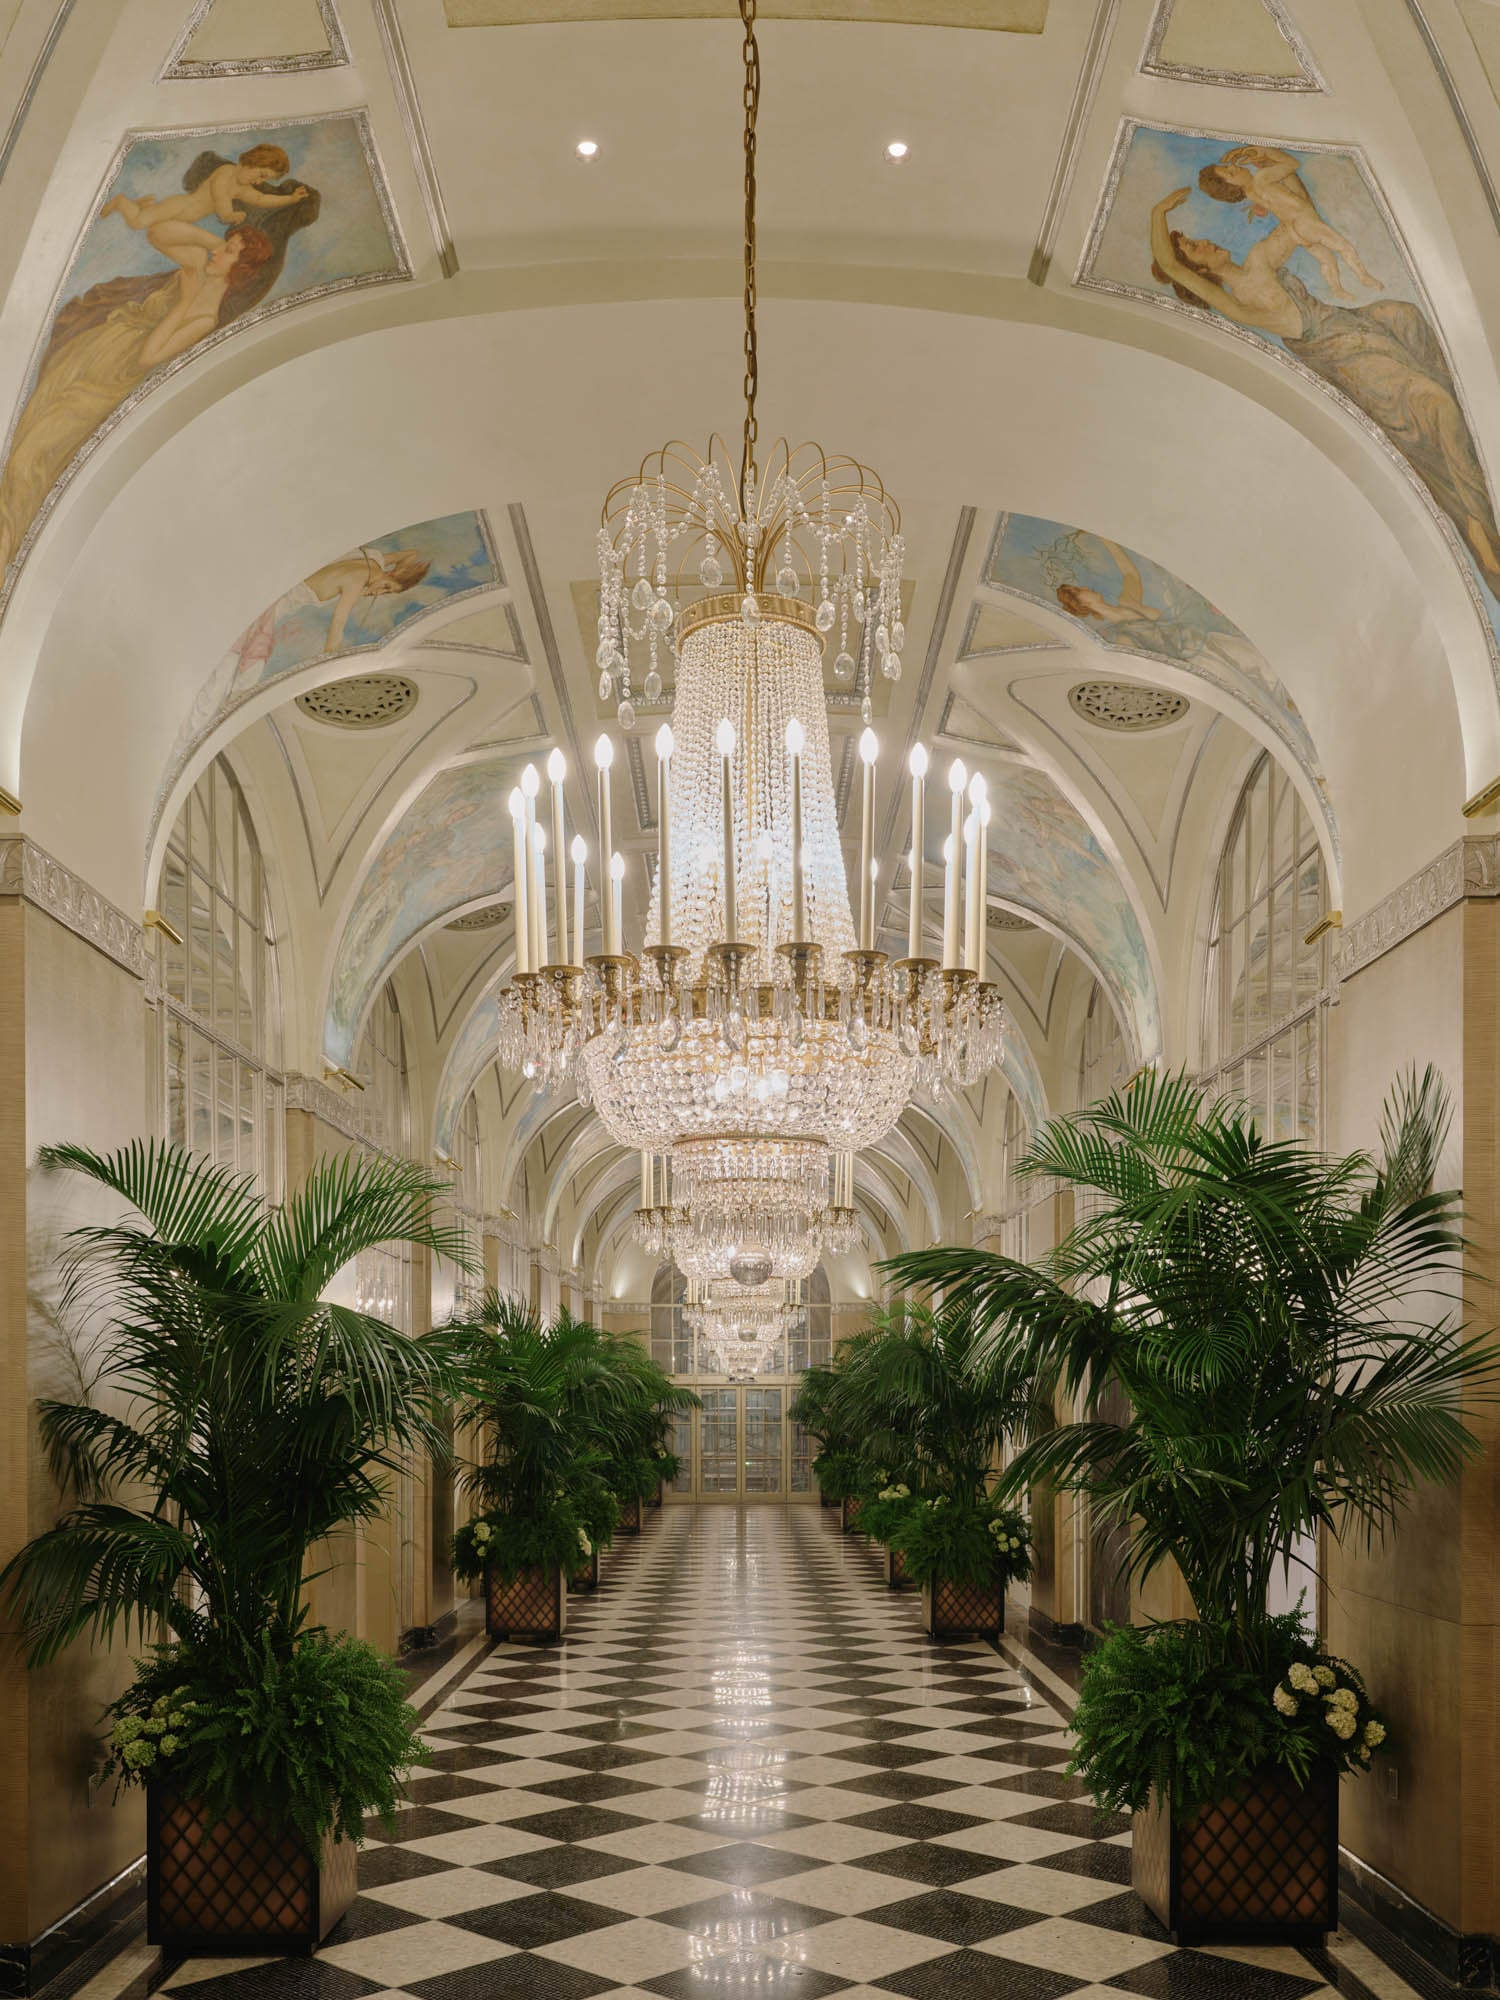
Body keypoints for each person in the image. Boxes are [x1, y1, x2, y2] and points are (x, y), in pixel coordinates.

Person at [1148, 186, 1500, 596]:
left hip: (1352, 323)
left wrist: (1263, 185)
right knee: (1436, 405)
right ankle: (1478, 518)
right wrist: (1159, 210)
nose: (1204, 241)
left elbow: (1300, 220)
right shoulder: (1236, 303)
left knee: (1406, 315)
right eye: (1194, 247)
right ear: (1200, 271)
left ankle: (1482, 425)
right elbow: (1169, 266)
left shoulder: (1259, 261)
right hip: (1344, 356)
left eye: (1195, 239)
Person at [0, 228, 275, 576]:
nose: (217, 250)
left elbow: (149, 357)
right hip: (91, 352)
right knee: (21, 437)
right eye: (225, 243)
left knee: (30, 459)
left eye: (229, 250)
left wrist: (184, 302)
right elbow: (160, 232)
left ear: (240, 268)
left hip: (108, 384)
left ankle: (8, 548)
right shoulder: (194, 267)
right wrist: (211, 243)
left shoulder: (205, 318)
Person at [1197, 145, 1379, 301]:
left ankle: (1337, 290)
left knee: (1327, 259)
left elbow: (1277, 194)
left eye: (1228, 166)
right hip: (1306, 223)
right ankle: (1364, 277)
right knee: (1343, 247)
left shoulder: (1251, 193)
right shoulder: (1261, 179)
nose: (1234, 167)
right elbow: (1292, 164)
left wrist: (1260, 158)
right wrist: (1263, 149)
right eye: (1230, 173)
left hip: (1296, 232)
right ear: (1232, 187)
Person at [100, 144, 308, 274]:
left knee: (159, 228)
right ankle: (121, 202)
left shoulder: (244, 188)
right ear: (250, 162)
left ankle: (144, 206)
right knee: (138, 223)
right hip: (180, 206)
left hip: (184, 218)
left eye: (265, 179)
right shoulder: (226, 172)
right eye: (261, 174)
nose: (258, 181)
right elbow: (220, 197)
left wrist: (289, 199)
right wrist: (228, 215)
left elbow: (262, 199)